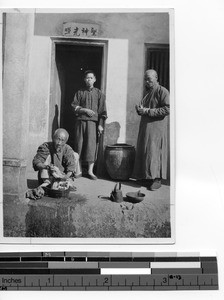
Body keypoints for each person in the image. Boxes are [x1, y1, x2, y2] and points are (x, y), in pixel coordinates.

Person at [133, 69, 170, 190]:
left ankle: (157, 179)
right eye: (145, 79)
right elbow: (144, 108)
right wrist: (140, 110)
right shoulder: (147, 92)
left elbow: (167, 109)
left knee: (155, 152)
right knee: (146, 152)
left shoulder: (162, 91)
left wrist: (148, 111)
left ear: (156, 78)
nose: (147, 81)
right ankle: (147, 177)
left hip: (157, 129)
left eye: (149, 79)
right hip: (146, 127)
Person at [71, 70, 107, 180]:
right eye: (87, 78)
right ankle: (79, 170)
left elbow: (103, 112)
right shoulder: (80, 92)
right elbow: (74, 106)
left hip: (93, 124)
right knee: (79, 145)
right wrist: (84, 110)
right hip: (81, 122)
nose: (89, 80)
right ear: (84, 79)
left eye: (91, 78)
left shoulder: (99, 93)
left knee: (91, 147)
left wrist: (100, 125)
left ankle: (91, 171)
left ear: (95, 79)